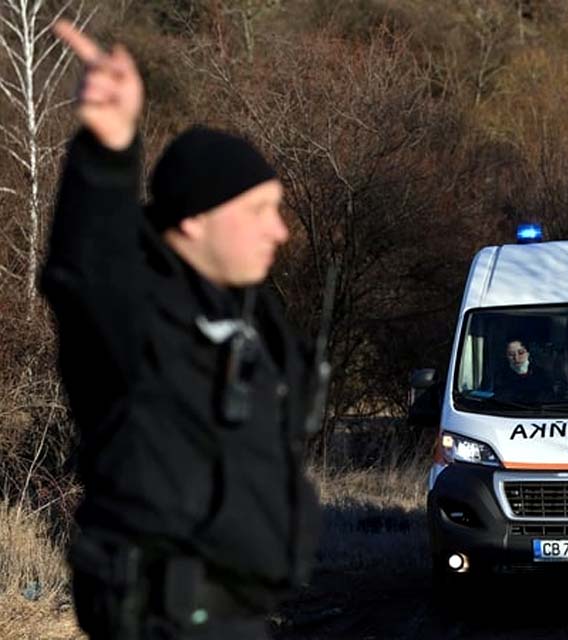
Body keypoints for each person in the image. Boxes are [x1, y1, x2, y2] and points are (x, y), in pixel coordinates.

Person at [42, 22, 321, 640]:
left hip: (238, 619)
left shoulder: (247, 320)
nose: (279, 231)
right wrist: (108, 151)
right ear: (194, 220)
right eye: (258, 211)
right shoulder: (134, 320)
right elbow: (84, 271)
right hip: (160, 623)